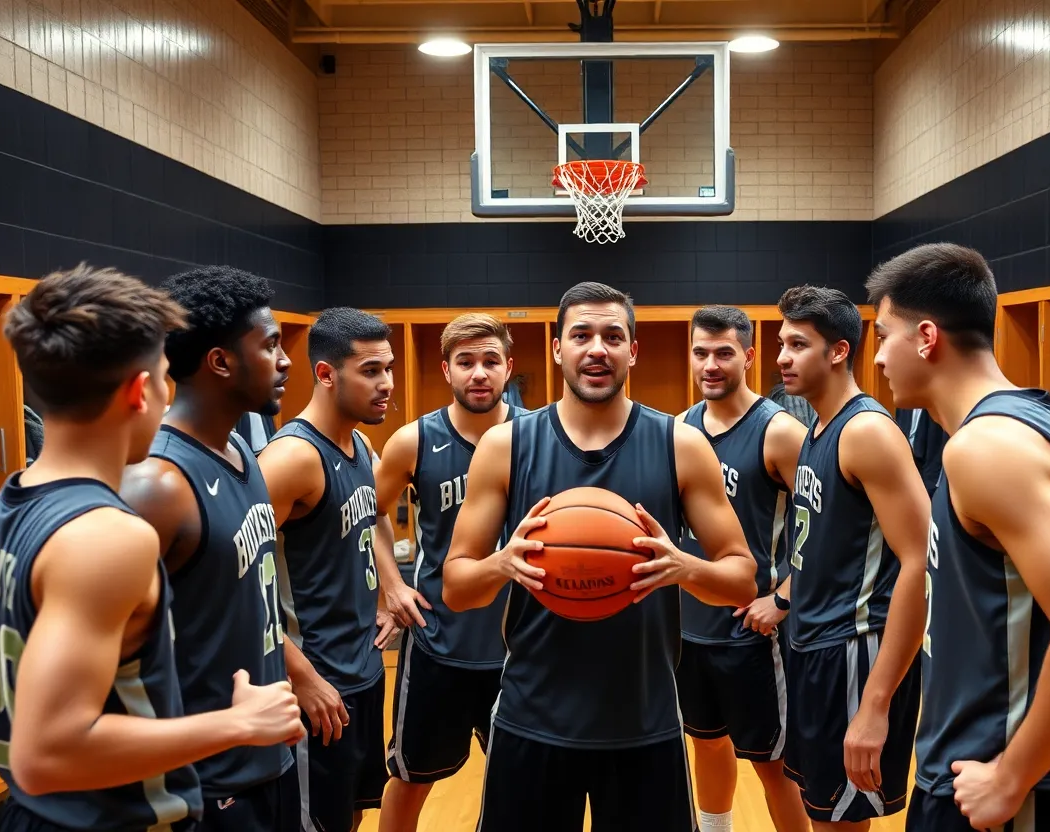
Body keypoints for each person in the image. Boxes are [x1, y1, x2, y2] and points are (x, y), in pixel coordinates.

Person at [0, 265, 303, 832]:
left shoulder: (4, 508)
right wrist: (237, 724)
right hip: (106, 815)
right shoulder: (109, 534)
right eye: (161, 375)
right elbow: (46, 752)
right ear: (139, 390)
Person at [443, 281, 759, 832]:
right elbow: (456, 585)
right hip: (529, 719)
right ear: (557, 348)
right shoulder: (506, 446)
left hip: (646, 720)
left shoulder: (680, 445)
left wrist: (685, 568)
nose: (597, 349)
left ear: (632, 351)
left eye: (614, 336)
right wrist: (502, 563)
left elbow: (741, 579)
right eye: (582, 334)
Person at [865, 243, 1050, 831]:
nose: (878, 360)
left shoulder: (985, 450)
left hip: (1025, 786)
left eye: (883, 335)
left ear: (925, 337)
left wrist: (1011, 776)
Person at [120, 266, 303, 831]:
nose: (286, 359)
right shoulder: (158, 484)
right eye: (270, 345)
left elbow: (249, 600)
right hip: (205, 781)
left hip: (267, 752)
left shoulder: (245, 455)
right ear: (221, 362)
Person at [774, 285, 930, 830]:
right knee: (824, 815)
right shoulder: (816, 427)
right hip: (813, 647)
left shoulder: (866, 431)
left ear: (838, 351)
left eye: (797, 344)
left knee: (842, 822)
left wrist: (876, 702)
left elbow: (919, 564)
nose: (781, 358)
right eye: (781, 344)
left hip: (854, 655)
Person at [372, 313, 525, 832]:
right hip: (441, 642)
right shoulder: (413, 440)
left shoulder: (539, 437)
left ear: (509, 367)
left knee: (523, 787)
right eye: (466, 362)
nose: (478, 373)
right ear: (446, 370)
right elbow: (369, 513)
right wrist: (391, 584)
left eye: (489, 361)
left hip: (522, 647)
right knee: (412, 778)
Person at [255, 307, 397, 832]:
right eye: (370, 371)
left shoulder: (359, 442)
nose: (385, 384)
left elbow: (376, 517)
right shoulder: (291, 459)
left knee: (351, 814)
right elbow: (241, 584)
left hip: (360, 673)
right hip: (315, 681)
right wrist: (302, 675)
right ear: (326, 373)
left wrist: (391, 589)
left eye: (388, 368)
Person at [675, 305, 811, 832]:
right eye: (701, 352)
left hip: (752, 633)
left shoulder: (778, 432)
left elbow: (831, 526)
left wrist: (782, 599)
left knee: (773, 763)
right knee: (706, 742)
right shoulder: (682, 428)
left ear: (749, 356)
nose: (711, 364)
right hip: (689, 629)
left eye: (724, 352)